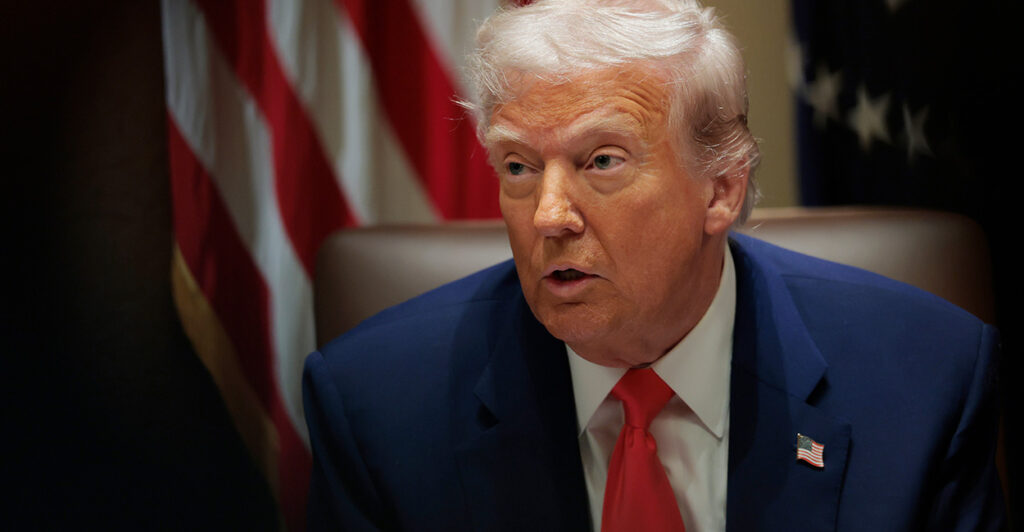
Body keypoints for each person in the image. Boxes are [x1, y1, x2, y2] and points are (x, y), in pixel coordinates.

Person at [302, 0, 1005, 530]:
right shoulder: (377, 408)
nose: (547, 215)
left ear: (721, 188)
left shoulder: (926, 383)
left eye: (601, 160)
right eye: (517, 166)